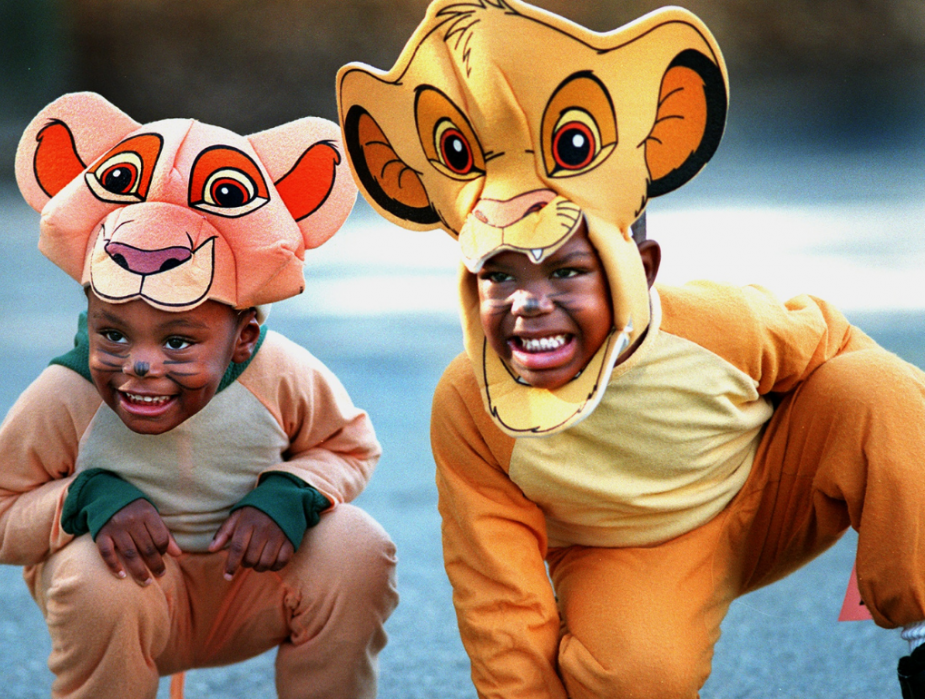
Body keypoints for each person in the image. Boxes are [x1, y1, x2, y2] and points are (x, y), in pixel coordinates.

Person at [334, 1, 925, 696]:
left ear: (640, 268)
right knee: (632, 676)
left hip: (772, 493)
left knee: (876, 389)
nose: (529, 302)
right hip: (632, 554)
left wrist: (898, 526)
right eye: (499, 273)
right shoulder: (471, 405)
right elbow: (498, 592)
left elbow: (857, 364)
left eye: (566, 270)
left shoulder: (720, 325)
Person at [0, 92, 398, 699]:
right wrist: (84, 498)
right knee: (91, 579)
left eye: (179, 342)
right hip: (132, 602)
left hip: (251, 588)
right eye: (111, 333)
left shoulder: (282, 372)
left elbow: (350, 449)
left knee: (357, 543)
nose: (139, 364)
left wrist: (291, 494)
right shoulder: (67, 394)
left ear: (244, 337)